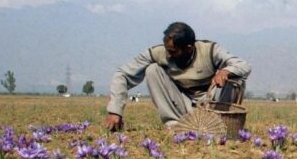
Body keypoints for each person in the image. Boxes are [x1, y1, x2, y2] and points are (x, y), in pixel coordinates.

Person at [104, 22, 250, 131]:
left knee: (236, 78)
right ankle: (175, 126)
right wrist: (114, 110)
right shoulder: (158, 53)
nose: (168, 55)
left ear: (189, 48)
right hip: (184, 104)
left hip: (212, 102)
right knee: (152, 70)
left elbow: (244, 65)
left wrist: (226, 71)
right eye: (167, 50)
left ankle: (222, 125)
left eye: (173, 52)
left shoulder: (210, 50)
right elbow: (122, 74)